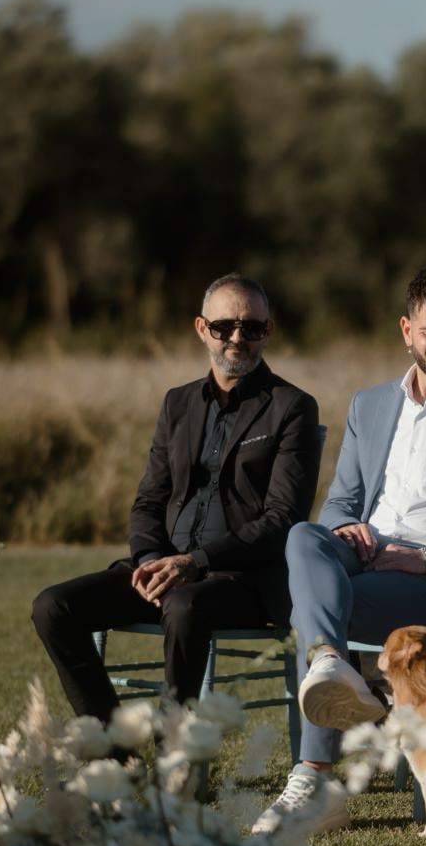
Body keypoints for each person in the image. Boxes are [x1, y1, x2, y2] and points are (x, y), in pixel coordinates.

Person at [253, 264, 426, 834]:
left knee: (317, 607)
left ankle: (314, 776)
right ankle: (332, 664)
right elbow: (340, 503)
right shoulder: (370, 404)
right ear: (407, 330)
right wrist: (347, 529)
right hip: (365, 555)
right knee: (304, 535)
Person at [31, 274, 320, 726]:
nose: (237, 338)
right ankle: (113, 750)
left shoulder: (292, 406)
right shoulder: (177, 403)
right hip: (164, 570)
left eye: (251, 327)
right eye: (224, 327)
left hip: (240, 579)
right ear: (202, 329)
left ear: (268, 330)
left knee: (185, 607)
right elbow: (149, 501)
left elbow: (283, 518)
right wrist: (150, 561)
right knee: (52, 607)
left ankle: (174, 756)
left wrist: (194, 562)